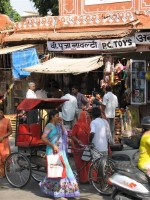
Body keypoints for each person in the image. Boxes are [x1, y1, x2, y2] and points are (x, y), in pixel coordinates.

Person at [39, 109, 80, 199]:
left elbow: (65, 134)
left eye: (59, 116)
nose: (59, 117)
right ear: (52, 117)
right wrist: (53, 145)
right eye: (57, 116)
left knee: (66, 170)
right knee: (57, 171)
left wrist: (61, 124)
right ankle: (58, 193)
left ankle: (69, 190)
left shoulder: (58, 125)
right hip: (53, 151)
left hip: (61, 151)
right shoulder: (49, 126)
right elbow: (43, 138)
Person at [71, 111, 91, 184]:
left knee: (87, 162)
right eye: (86, 116)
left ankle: (87, 178)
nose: (87, 117)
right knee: (80, 163)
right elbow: (73, 135)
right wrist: (78, 141)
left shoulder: (87, 125)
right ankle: (82, 179)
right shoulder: (77, 125)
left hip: (86, 146)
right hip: (78, 147)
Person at [0, 109, 12, 178]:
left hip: (4, 142)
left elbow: (10, 131)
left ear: (3, 114)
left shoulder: (7, 120)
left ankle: (5, 171)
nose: (0, 114)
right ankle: (2, 173)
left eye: (1, 112)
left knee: (5, 158)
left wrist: (3, 137)